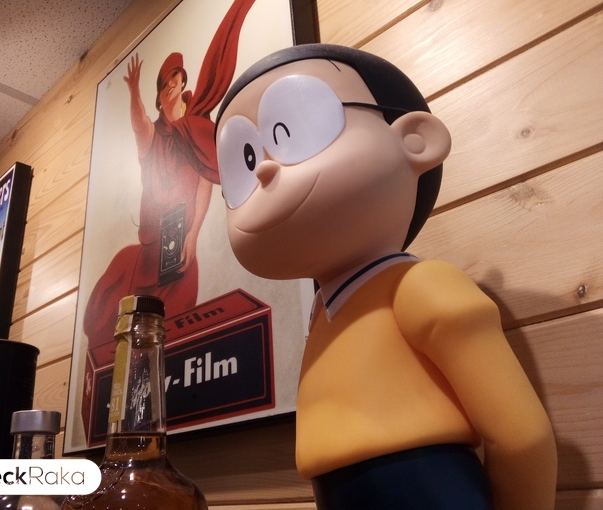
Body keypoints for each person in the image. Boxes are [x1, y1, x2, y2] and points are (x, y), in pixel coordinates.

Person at [215, 44, 557, 510]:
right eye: (245, 160)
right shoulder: (324, 314)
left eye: (293, 130)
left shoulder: (420, 285)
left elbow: (522, 435)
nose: (266, 169)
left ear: (415, 140)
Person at [83, 0, 256, 351]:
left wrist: (193, 235)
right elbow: (139, 125)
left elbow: (205, 185)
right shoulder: (154, 135)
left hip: (180, 248)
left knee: (172, 337)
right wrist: (134, 92)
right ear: (159, 97)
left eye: (178, 81)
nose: (173, 87)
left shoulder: (197, 129)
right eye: (166, 84)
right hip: (149, 250)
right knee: (115, 328)